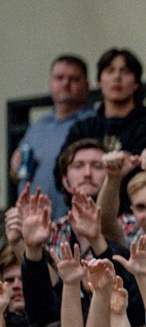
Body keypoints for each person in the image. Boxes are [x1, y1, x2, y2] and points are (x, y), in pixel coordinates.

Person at [11, 55, 93, 219]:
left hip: (70, 225)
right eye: (59, 78)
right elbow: (17, 174)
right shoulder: (39, 125)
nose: (65, 83)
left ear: (86, 86)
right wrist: (14, 167)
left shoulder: (91, 123)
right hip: (30, 224)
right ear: (50, 83)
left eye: (73, 79)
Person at [62, 48, 146, 159]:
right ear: (99, 81)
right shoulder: (83, 129)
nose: (117, 77)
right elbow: (61, 167)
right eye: (110, 71)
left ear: (136, 83)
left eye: (125, 71)